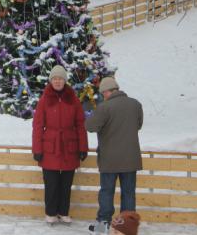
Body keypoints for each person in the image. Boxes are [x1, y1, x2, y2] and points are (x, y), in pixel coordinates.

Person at [86, 77, 143, 234]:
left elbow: (90, 127)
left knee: (107, 192)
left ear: (106, 91)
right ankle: (127, 228)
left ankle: (102, 226)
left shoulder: (105, 107)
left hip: (109, 159)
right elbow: (138, 125)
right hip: (130, 159)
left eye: (103, 93)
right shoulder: (136, 104)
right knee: (128, 193)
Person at [32, 65, 88, 226]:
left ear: (65, 80)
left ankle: (63, 212)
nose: (57, 81)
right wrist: (37, 149)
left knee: (66, 183)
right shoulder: (44, 100)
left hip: (69, 146)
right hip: (50, 146)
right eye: (55, 79)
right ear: (51, 81)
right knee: (51, 183)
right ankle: (50, 213)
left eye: (60, 78)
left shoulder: (73, 99)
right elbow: (37, 126)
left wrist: (83, 147)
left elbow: (80, 125)